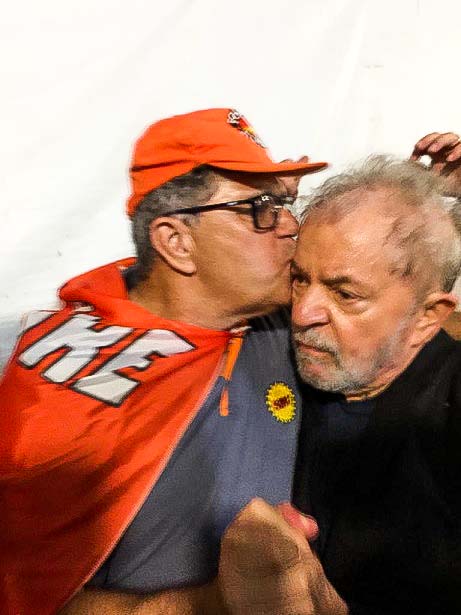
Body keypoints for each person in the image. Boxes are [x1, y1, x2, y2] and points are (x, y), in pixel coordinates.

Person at [1, 107, 345, 615]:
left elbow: (402, 298)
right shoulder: (65, 406)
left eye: (286, 202)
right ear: (176, 242)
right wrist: (218, 602)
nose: (291, 225)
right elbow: (31, 599)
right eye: (260, 208)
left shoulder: (271, 312)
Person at [290, 149, 461, 614]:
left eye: (345, 294)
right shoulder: (272, 358)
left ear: (428, 316)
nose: (303, 314)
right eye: (299, 280)